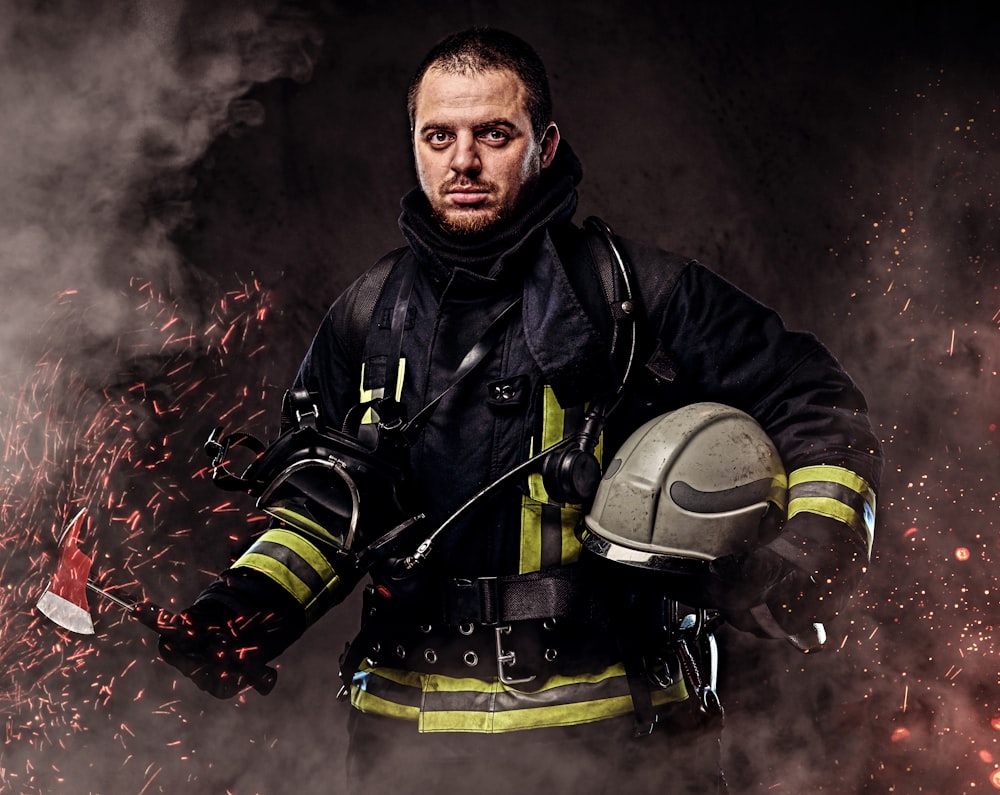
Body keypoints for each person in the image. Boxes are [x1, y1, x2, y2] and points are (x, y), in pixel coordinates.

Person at [159, 27, 883, 794]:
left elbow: (818, 401)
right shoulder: (366, 315)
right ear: (415, 144)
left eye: (493, 134)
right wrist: (238, 615)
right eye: (439, 136)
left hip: (622, 749)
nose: (462, 161)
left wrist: (810, 551)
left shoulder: (639, 297)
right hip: (405, 753)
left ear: (544, 145)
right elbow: (323, 510)